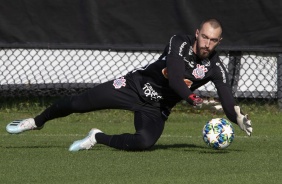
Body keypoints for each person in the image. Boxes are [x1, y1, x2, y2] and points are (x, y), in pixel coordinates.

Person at [6, 18, 252, 152]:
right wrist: (192, 99)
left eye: (213, 40)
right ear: (197, 33)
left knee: (144, 142)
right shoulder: (179, 42)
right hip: (133, 86)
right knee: (79, 103)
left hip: (157, 108)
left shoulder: (216, 67)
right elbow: (176, 78)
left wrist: (236, 117)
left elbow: (227, 98)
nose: (207, 43)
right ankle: (37, 121)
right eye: (204, 37)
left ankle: (97, 137)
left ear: (219, 41)